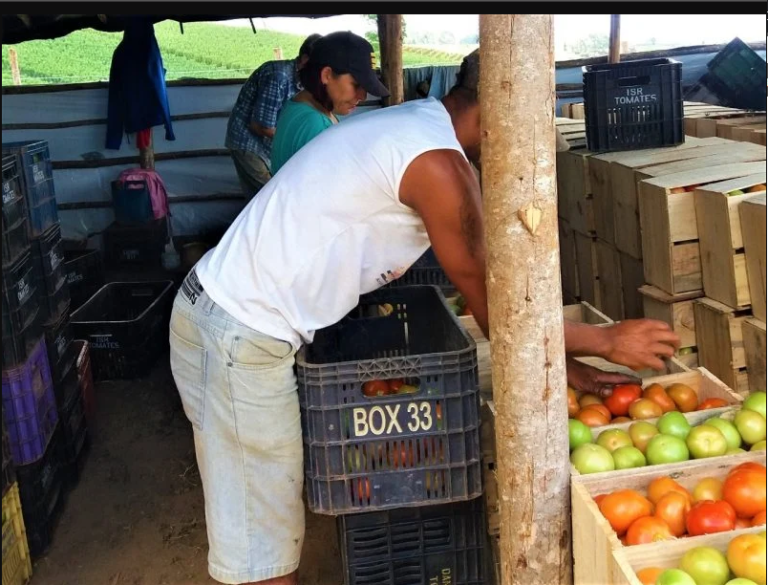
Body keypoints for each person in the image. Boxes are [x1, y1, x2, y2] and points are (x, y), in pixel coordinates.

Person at [169, 49, 680, 585]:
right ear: (499, 112)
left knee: (264, 512)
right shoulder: (438, 166)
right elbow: (494, 306)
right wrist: (604, 339)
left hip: (232, 319)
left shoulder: (417, 125)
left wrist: (567, 367)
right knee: (263, 541)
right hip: (239, 332)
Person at [270, 31, 390, 175]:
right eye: (356, 85)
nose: (362, 96)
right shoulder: (315, 125)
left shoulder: (299, 105)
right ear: (326, 75)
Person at [224, 33, 321, 199]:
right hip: (248, 143)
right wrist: (296, 143)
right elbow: (261, 126)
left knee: (270, 198)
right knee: (270, 198)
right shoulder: (279, 77)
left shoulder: (302, 81)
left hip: (267, 146)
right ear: (305, 60)